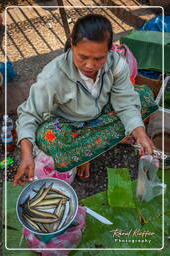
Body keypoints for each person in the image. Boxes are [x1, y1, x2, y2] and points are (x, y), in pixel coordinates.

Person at [13, 14, 158, 187]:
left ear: (109, 50)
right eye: (82, 57)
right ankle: (89, 152)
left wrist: (141, 134)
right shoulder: (52, 77)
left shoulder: (116, 63)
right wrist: (27, 156)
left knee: (144, 96)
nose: (90, 66)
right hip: (70, 124)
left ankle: (89, 151)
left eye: (99, 58)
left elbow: (125, 101)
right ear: (72, 45)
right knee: (46, 136)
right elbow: (29, 114)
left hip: (101, 113)